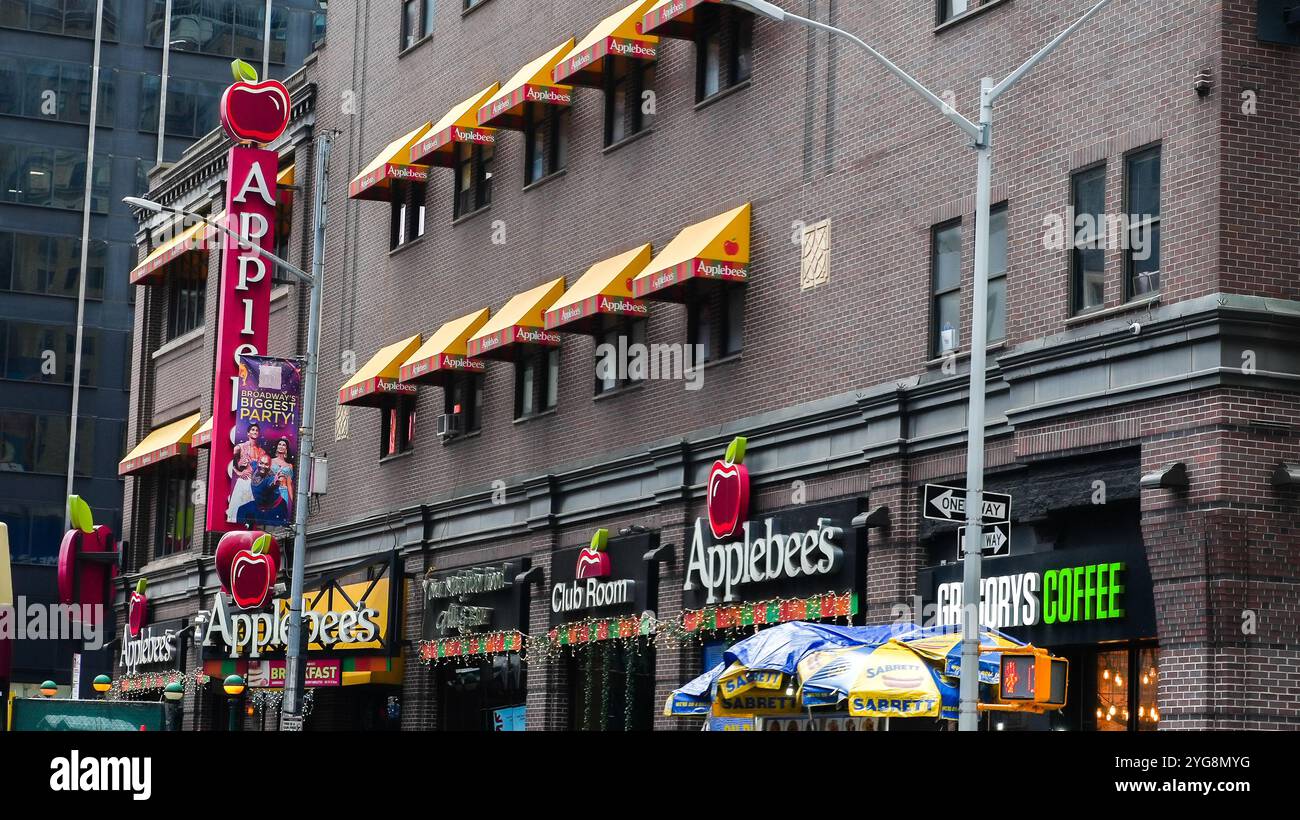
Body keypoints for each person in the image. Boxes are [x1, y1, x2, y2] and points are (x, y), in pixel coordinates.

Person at [225, 423, 265, 523]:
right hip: (244, 482)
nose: (255, 432)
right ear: (248, 433)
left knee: (252, 508)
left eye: (257, 430)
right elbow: (233, 464)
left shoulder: (262, 451)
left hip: (255, 483)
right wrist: (239, 472)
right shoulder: (240, 447)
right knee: (238, 505)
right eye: (253, 430)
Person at [237, 455, 290, 527]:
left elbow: (273, 483)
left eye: (266, 464)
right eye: (261, 463)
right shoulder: (255, 466)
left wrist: (276, 482)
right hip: (259, 506)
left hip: (276, 509)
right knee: (242, 510)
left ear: (270, 466)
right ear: (258, 462)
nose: (263, 466)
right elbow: (248, 462)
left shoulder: (270, 478)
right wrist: (238, 471)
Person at [270, 438, 295, 512]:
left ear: (286, 449)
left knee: (282, 512)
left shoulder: (289, 466)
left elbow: (289, 484)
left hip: (284, 491)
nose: (281, 446)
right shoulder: (270, 461)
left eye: (284, 445)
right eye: (279, 444)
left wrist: (293, 502)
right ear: (277, 447)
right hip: (273, 490)